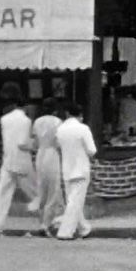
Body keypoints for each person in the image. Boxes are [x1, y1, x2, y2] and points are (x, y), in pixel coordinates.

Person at [0, 83, 38, 236]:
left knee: (2, 194)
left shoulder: (4, 119)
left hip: (8, 160)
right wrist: (35, 145)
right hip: (22, 161)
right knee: (37, 192)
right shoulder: (26, 121)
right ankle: (49, 222)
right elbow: (23, 143)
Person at [55, 103, 97, 240]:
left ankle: (84, 228)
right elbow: (92, 150)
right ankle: (65, 232)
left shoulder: (60, 129)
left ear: (67, 114)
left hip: (67, 168)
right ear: (80, 115)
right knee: (75, 202)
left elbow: (58, 146)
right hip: (81, 168)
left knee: (73, 201)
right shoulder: (83, 128)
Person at [25, 98, 64, 236]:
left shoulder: (37, 122)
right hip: (52, 153)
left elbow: (34, 143)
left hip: (40, 154)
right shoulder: (58, 122)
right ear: (55, 109)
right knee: (53, 189)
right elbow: (59, 142)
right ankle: (47, 223)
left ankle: (41, 221)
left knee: (41, 188)